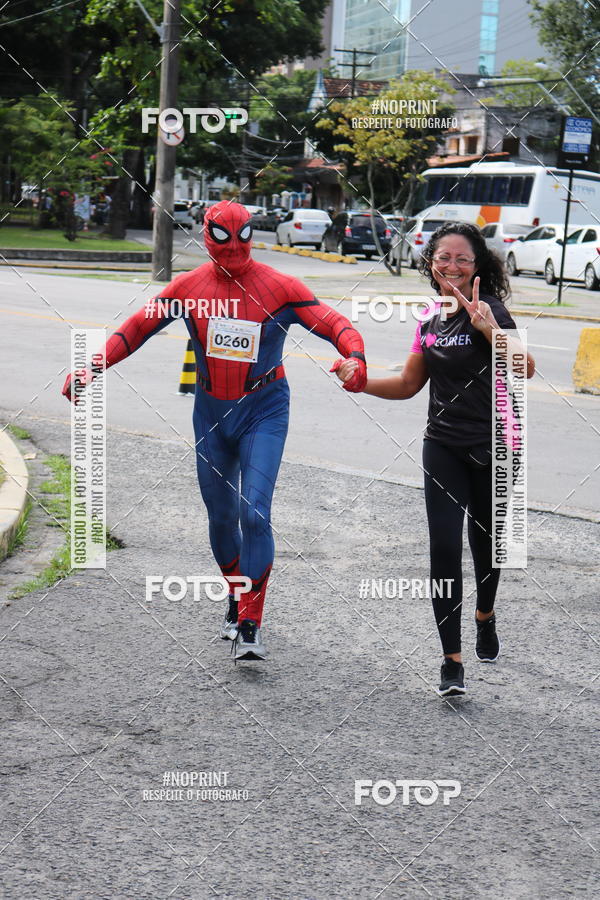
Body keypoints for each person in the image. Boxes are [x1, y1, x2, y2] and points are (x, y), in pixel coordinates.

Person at [62, 201, 367, 662]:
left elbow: (334, 323)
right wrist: (91, 366)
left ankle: (250, 623)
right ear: (206, 236)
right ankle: (236, 595)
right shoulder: (188, 287)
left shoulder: (280, 286)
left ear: (251, 234)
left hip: (264, 409)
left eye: (243, 236)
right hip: (210, 414)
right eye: (222, 237)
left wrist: (355, 358)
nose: (234, 247)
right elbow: (135, 329)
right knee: (221, 517)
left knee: (255, 514)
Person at [333, 222, 535, 697]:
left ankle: (485, 615)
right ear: (431, 263)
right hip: (441, 445)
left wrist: (489, 330)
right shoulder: (429, 320)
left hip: (496, 447)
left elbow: (524, 368)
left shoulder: (491, 310)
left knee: (487, 551)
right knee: (444, 548)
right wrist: (357, 381)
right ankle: (451, 661)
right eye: (443, 257)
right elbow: (407, 384)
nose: (452, 266)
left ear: (478, 266)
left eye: (463, 259)